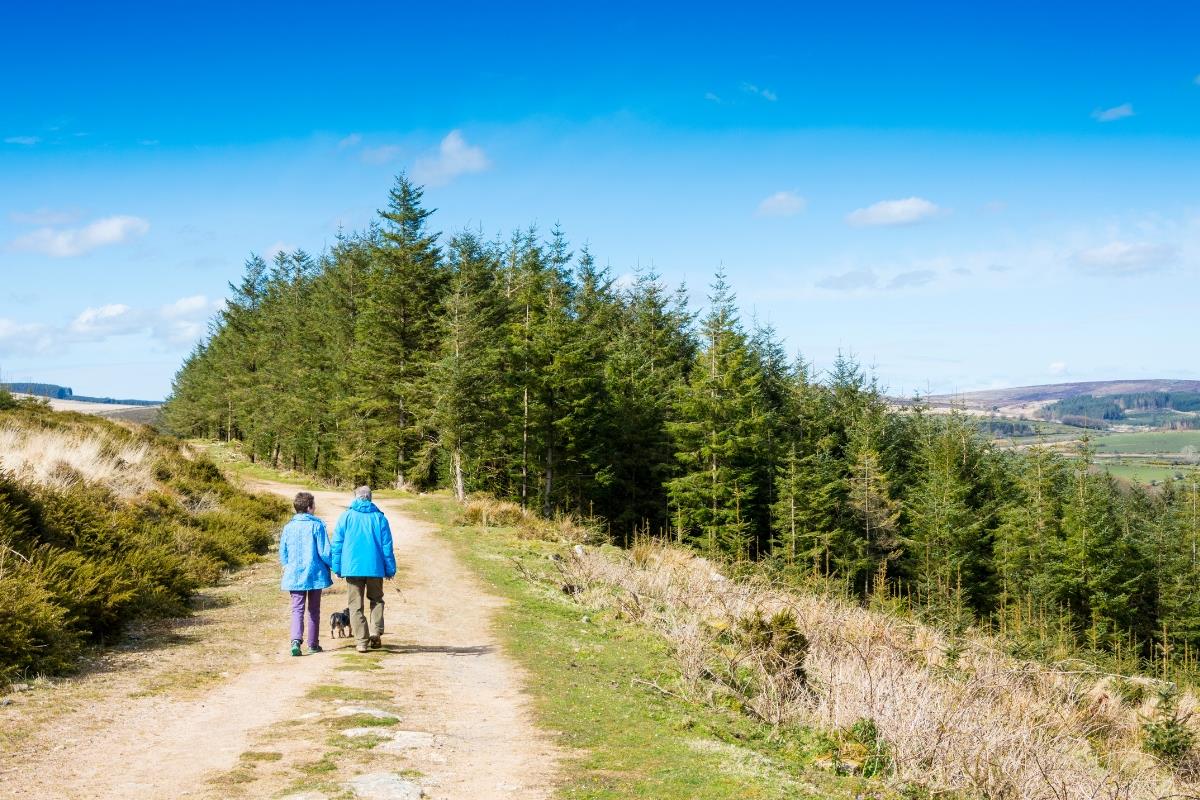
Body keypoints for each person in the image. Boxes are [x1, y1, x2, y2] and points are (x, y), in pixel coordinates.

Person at [331, 485, 396, 653]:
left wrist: (337, 567)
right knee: (377, 600)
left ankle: (361, 641)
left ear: (355, 497)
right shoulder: (380, 518)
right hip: (375, 567)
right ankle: (375, 632)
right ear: (370, 498)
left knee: (355, 606)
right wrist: (390, 569)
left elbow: (337, 544)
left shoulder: (345, 517)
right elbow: (387, 546)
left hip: (352, 568)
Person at [279, 491, 332, 657]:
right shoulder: (317, 526)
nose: (315, 508)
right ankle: (313, 644)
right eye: (314, 505)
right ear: (309, 508)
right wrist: (335, 566)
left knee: (297, 608)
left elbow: (283, 552)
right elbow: (325, 552)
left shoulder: (288, 527)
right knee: (314, 609)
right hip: (314, 573)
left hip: (294, 574)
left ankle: (295, 641)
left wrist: (286, 565)